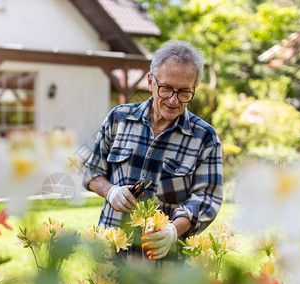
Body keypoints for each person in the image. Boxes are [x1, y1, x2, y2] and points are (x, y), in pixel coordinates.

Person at [83, 40, 223, 260]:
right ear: (151, 81)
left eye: (185, 92)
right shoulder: (118, 118)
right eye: (166, 88)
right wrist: (111, 191)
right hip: (110, 256)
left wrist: (174, 229)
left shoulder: (205, 138)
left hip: (164, 265)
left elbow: (206, 198)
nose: (173, 100)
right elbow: (92, 172)